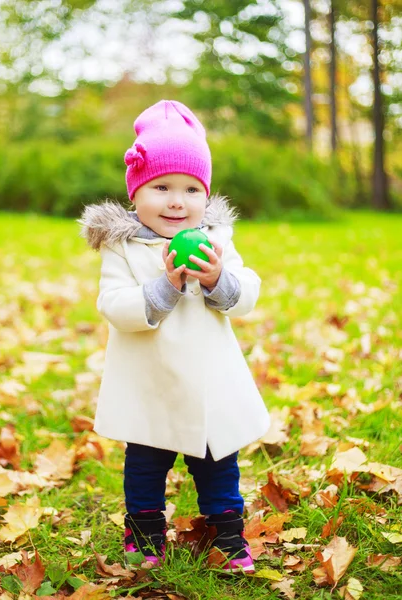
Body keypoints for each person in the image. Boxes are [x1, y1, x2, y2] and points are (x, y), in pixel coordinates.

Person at [78, 100, 270, 573]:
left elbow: (247, 295)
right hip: (150, 386)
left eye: (190, 189)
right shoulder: (123, 248)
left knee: (219, 465)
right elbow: (115, 306)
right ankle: (144, 533)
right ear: (135, 195)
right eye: (161, 187)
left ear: (205, 197)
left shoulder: (216, 243)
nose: (177, 201)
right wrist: (163, 286)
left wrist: (216, 280)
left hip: (208, 390)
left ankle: (226, 534)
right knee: (144, 467)